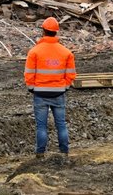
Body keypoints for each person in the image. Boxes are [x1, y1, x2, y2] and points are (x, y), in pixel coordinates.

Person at [24, 16, 77, 157]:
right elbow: (71, 74)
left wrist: (31, 88)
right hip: (58, 93)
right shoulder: (66, 53)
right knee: (61, 124)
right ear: (56, 32)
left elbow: (29, 74)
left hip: (40, 94)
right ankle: (64, 152)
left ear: (43, 31)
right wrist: (64, 87)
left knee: (41, 126)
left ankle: (40, 153)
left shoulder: (34, 52)